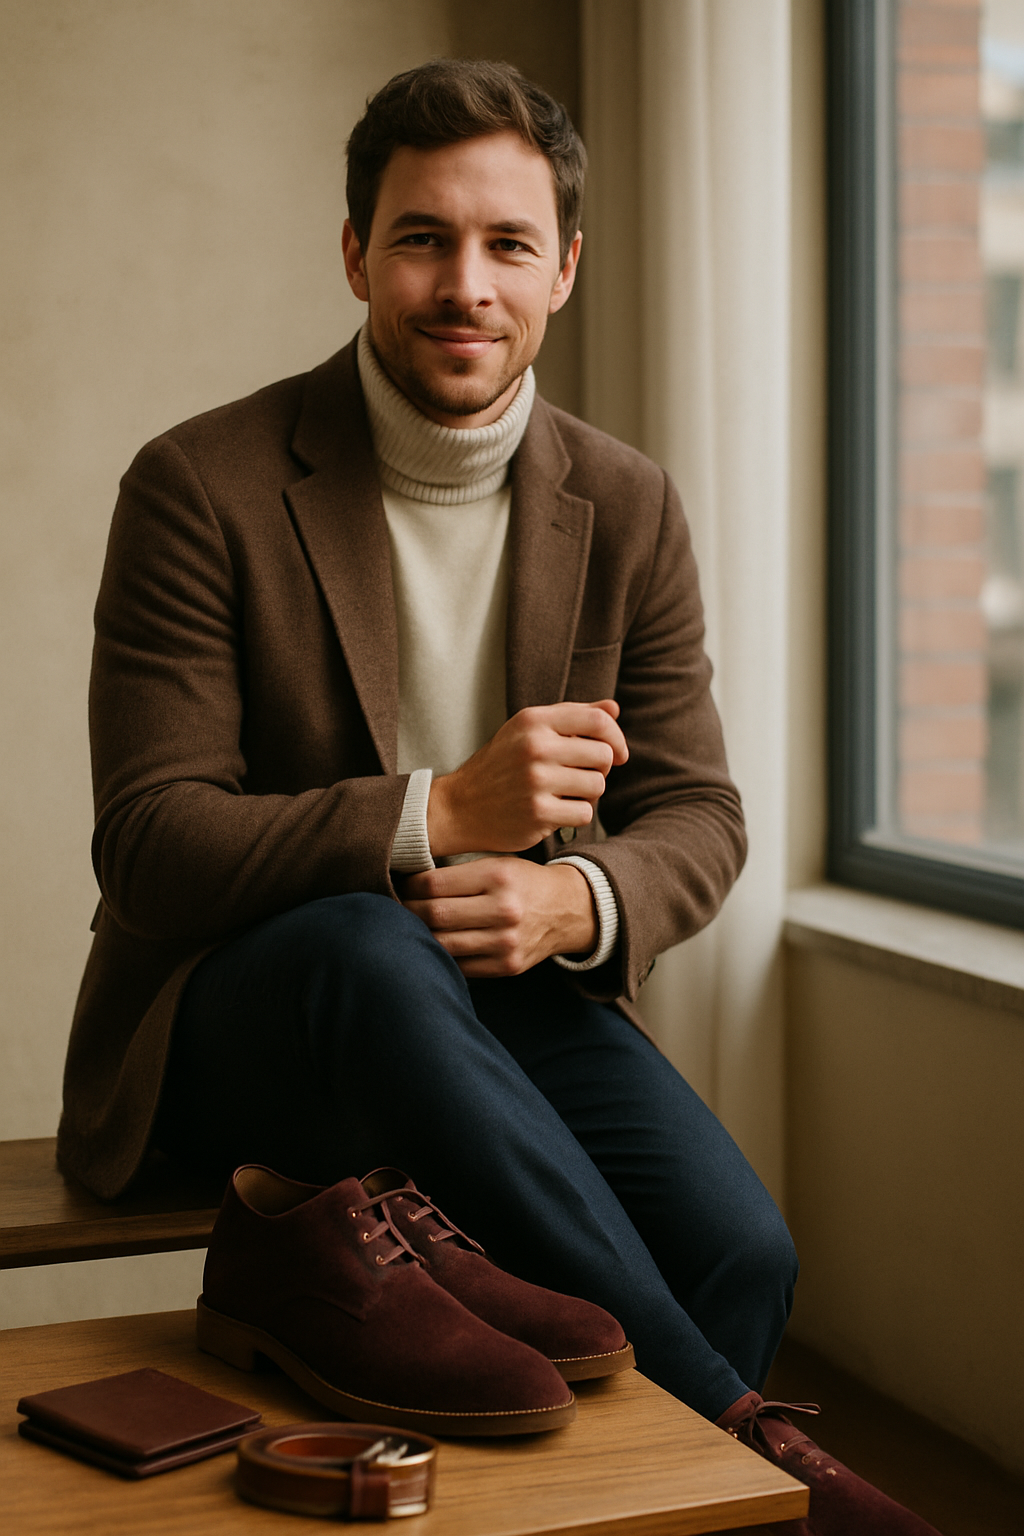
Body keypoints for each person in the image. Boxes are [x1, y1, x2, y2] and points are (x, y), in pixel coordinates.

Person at [59, 60, 940, 1536]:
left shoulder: (628, 500)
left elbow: (699, 816)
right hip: (244, 1019)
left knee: (739, 1251)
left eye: (507, 245)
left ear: (565, 269)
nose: (463, 285)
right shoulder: (197, 486)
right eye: (420, 238)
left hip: (494, 990)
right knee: (366, 942)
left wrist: (571, 895)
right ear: (355, 252)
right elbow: (151, 845)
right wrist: (436, 814)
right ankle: (760, 1448)